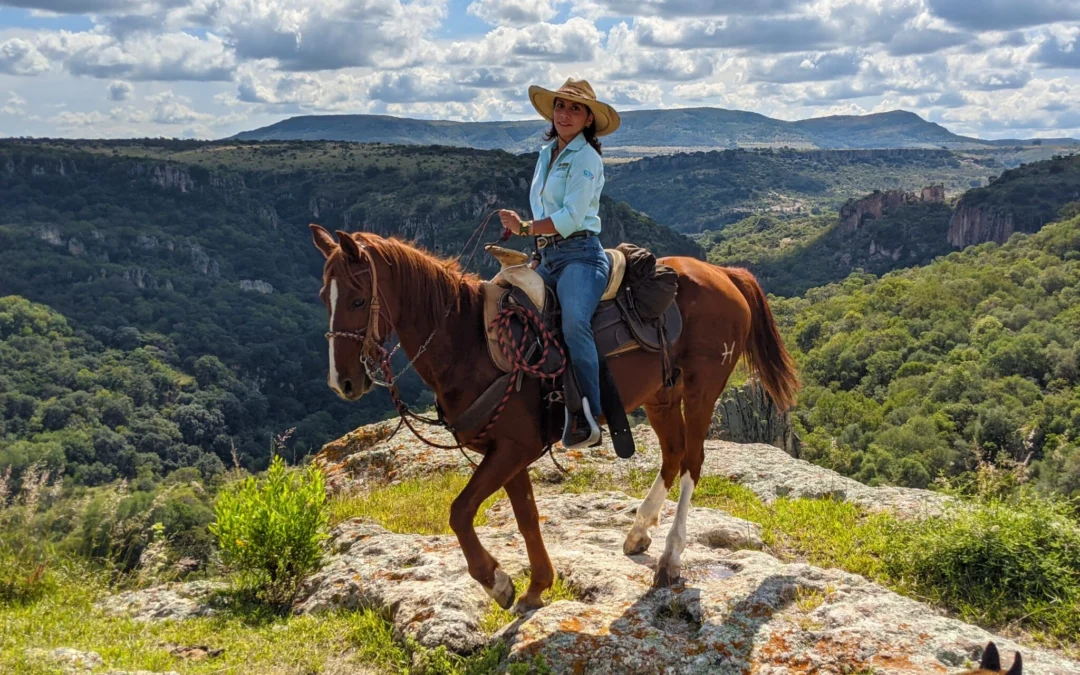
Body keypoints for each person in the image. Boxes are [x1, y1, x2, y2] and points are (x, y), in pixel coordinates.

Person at [498, 77, 621, 450]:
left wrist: (522, 227)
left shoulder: (586, 158)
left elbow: (570, 217)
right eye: (561, 106)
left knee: (573, 323)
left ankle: (591, 415)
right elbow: (545, 208)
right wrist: (534, 239)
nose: (565, 114)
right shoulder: (546, 153)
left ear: (588, 120)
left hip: (581, 256)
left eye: (575, 108)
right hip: (548, 254)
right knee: (502, 306)